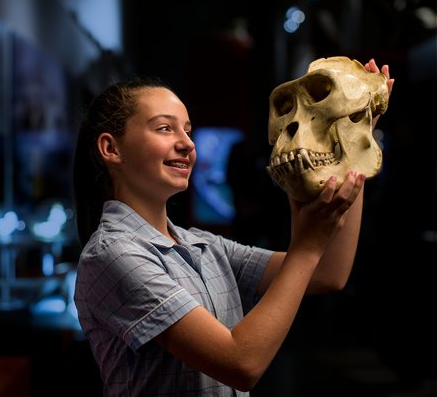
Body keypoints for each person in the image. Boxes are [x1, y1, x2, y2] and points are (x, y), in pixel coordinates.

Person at [72, 59, 394, 396]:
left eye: (188, 130)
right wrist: (307, 244)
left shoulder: (204, 246)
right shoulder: (112, 255)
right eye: (165, 128)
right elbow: (241, 363)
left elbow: (328, 273)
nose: (187, 143)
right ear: (111, 148)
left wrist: (354, 135)